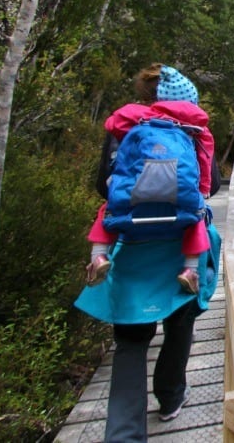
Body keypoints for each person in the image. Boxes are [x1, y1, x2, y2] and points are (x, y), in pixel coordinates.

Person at [74, 63, 221, 442]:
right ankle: (171, 398)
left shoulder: (126, 127)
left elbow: (103, 188)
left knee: (131, 341)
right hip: (182, 244)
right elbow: (212, 186)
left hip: (133, 245)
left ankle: (123, 433)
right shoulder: (194, 130)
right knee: (179, 324)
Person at [85, 64, 214, 294]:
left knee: (107, 211)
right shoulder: (197, 129)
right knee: (202, 224)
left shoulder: (133, 120)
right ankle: (191, 270)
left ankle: (98, 256)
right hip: (181, 221)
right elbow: (210, 183)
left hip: (131, 224)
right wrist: (201, 191)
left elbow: (103, 183)